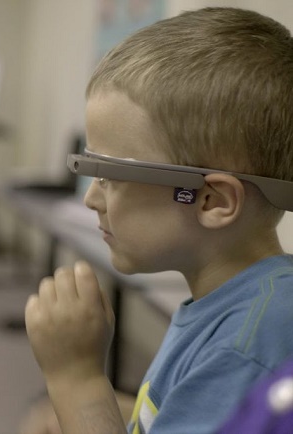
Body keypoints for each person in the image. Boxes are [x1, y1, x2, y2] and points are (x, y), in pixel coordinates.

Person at [22, 7, 293, 434]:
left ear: (211, 200)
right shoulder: (240, 309)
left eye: (111, 176)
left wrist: (77, 380)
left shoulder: (248, 347)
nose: (92, 198)